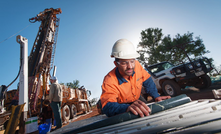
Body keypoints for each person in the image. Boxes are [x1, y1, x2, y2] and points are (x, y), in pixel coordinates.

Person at [100, 39, 171, 117]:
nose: (130, 67)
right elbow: (107, 106)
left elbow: (147, 80)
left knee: (149, 112)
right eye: (124, 63)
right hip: (121, 105)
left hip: (137, 98)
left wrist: (156, 96)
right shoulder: (109, 80)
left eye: (132, 61)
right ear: (116, 64)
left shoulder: (137, 65)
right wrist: (126, 108)